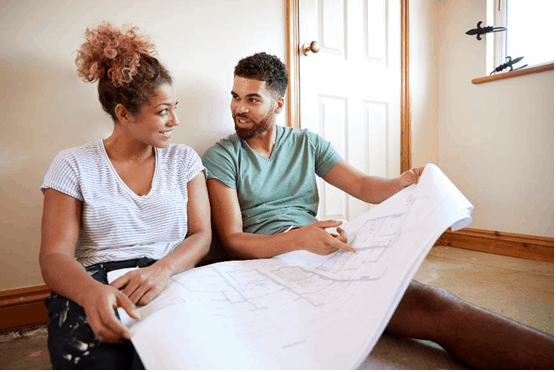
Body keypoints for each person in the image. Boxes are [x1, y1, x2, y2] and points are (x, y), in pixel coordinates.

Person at [202, 52, 554, 369]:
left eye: (252, 99)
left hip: (319, 246)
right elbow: (233, 242)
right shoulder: (223, 156)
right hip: (275, 263)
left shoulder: (307, 143)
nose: (239, 108)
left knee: (429, 299)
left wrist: (399, 183)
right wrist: (297, 242)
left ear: (278, 104)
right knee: (427, 308)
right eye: (235, 97)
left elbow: (362, 185)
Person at [39, 23, 211, 369]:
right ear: (123, 113)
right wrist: (91, 293)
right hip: (94, 282)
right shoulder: (73, 164)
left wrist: (163, 270)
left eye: (174, 107)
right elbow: (54, 256)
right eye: (163, 111)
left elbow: (201, 234)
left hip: (169, 277)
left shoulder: (184, 160)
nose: (175, 120)